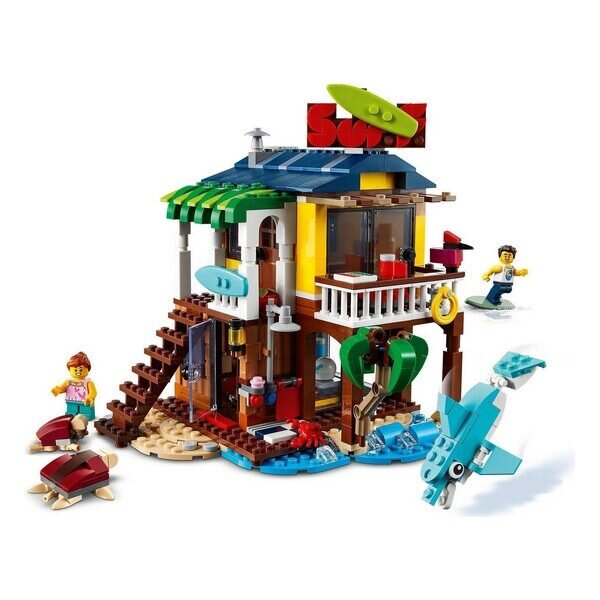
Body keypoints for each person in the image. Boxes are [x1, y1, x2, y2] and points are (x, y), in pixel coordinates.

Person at [51, 352, 97, 420]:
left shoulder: (88, 382)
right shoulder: (68, 382)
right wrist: (58, 390)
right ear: (70, 370)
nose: (78, 372)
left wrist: (91, 397)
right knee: (71, 410)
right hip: (71, 401)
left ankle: (86, 415)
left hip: (85, 402)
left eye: (80, 369)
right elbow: (62, 388)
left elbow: (93, 392)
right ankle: (71, 414)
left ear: (87, 369)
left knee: (85, 411)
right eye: (75, 369)